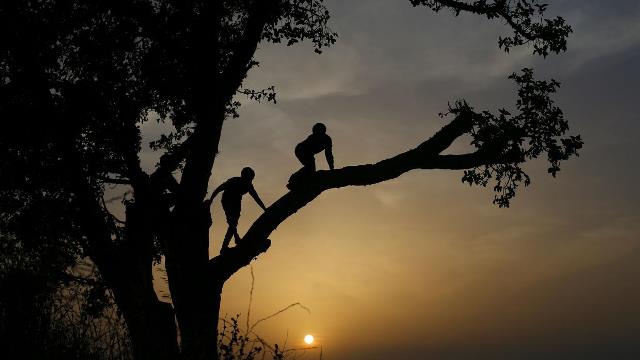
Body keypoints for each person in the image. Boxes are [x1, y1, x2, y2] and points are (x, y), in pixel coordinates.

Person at [208, 167, 267, 253]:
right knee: (231, 221)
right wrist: (211, 200)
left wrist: (264, 208)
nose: (250, 180)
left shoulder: (249, 186)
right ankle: (236, 238)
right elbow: (219, 188)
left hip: (237, 201)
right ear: (244, 176)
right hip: (227, 199)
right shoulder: (234, 181)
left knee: (233, 223)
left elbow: (256, 198)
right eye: (249, 178)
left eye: (251, 179)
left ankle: (224, 247)